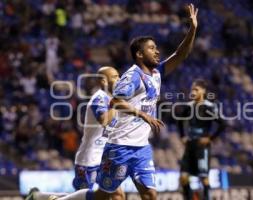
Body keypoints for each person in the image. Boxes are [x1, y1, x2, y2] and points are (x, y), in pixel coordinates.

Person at [27, 3, 198, 200]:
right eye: (152, 48)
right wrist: (142, 114)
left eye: (156, 48)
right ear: (139, 54)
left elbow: (180, 54)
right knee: (104, 197)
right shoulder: (132, 77)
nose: (157, 51)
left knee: (150, 195)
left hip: (141, 148)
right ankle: (52, 199)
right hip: (120, 147)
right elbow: (115, 101)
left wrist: (192, 30)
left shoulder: (156, 73)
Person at [26, 66, 125, 200]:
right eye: (115, 77)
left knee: (117, 195)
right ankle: (40, 197)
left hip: (105, 158)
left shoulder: (114, 99)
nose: (119, 79)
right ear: (104, 81)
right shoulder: (99, 98)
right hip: (89, 159)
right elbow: (105, 121)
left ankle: (40, 197)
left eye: (119, 76)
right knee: (86, 197)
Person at [177, 79, 225, 200]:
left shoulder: (208, 107)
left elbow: (223, 124)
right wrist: (182, 136)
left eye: (196, 89)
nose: (193, 92)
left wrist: (210, 138)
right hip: (190, 145)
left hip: (202, 147)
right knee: (183, 177)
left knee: (204, 178)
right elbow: (179, 121)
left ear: (203, 91)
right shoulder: (189, 106)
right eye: (192, 89)